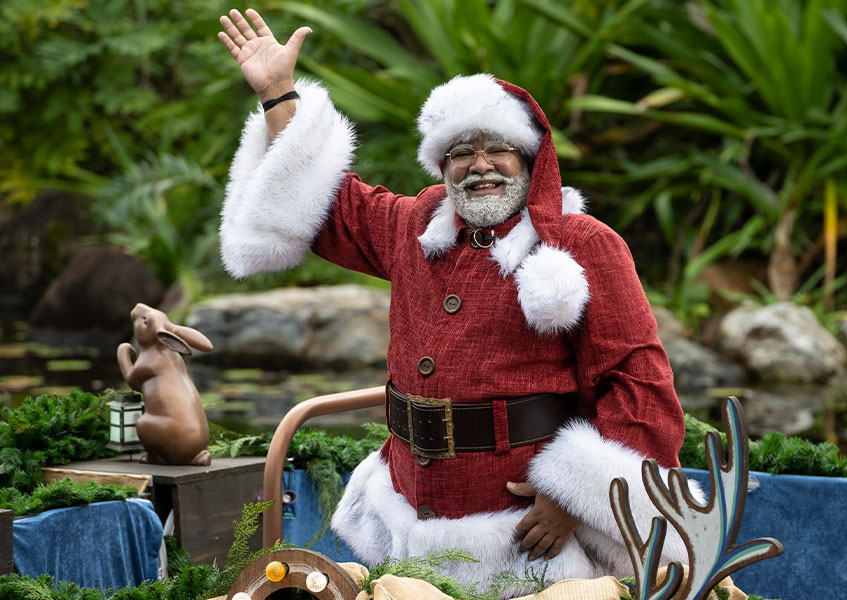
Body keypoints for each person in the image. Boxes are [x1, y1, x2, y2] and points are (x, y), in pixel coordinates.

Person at [217, 8, 691, 593]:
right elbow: (329, 202)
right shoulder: (414, 226)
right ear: (441, 165)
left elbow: (639, 383)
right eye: (461, 152)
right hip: (411, 521)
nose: (481, 165)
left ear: (529, 158)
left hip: (527, 537)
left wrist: (578, 498)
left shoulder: (586, 245)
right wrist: (276, 93)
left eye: (499, 149)